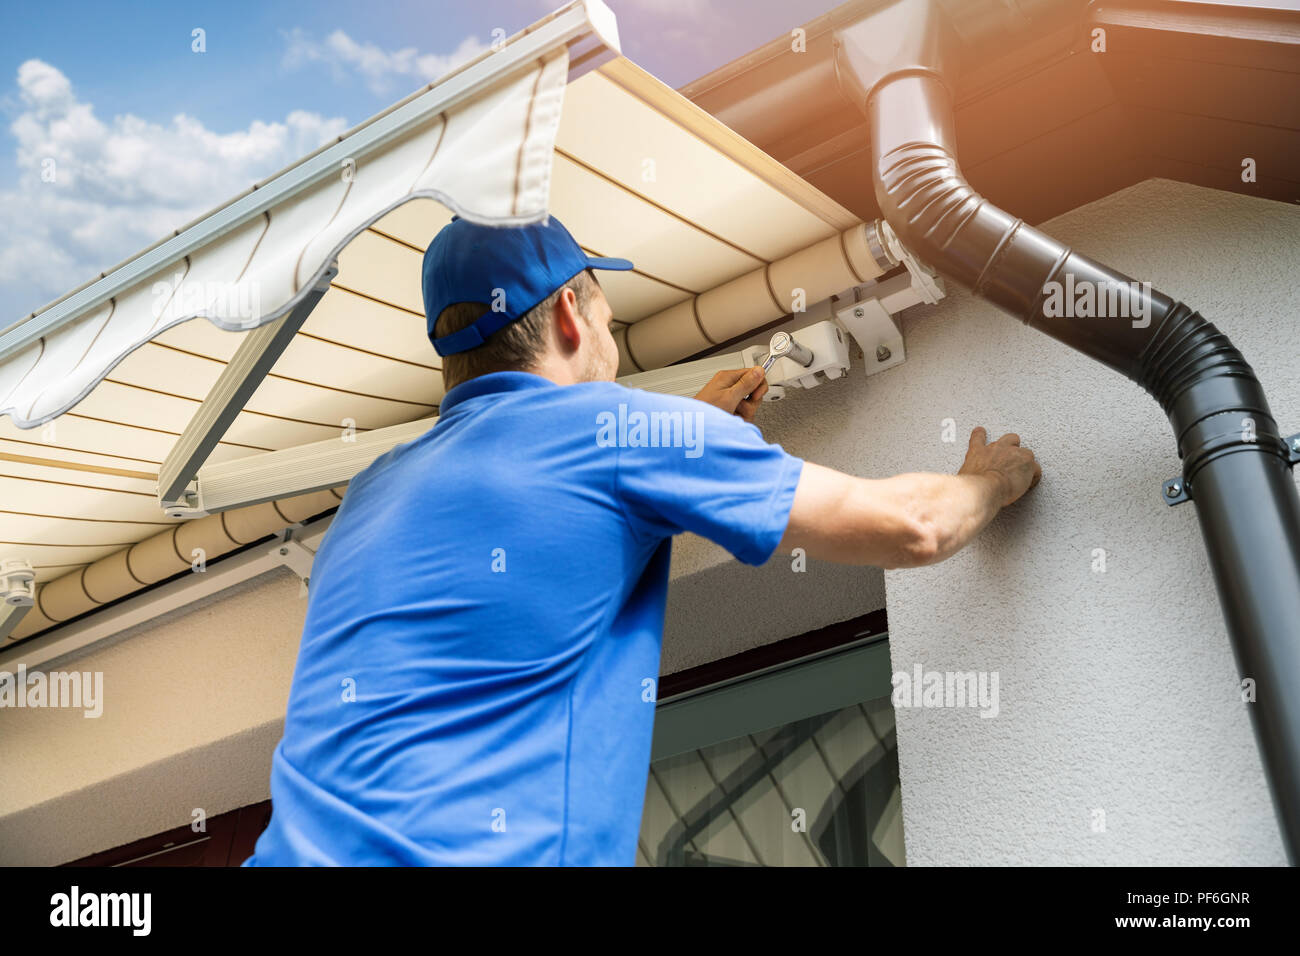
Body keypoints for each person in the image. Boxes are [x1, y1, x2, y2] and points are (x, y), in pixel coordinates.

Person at [245, 214, 1040, 866]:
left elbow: (542, 517)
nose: (610, 335)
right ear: (568, 315)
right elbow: (913, 527)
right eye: (605, 315)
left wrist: (678, 446)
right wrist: (992, 480)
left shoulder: (372, 492)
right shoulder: (629, 435)